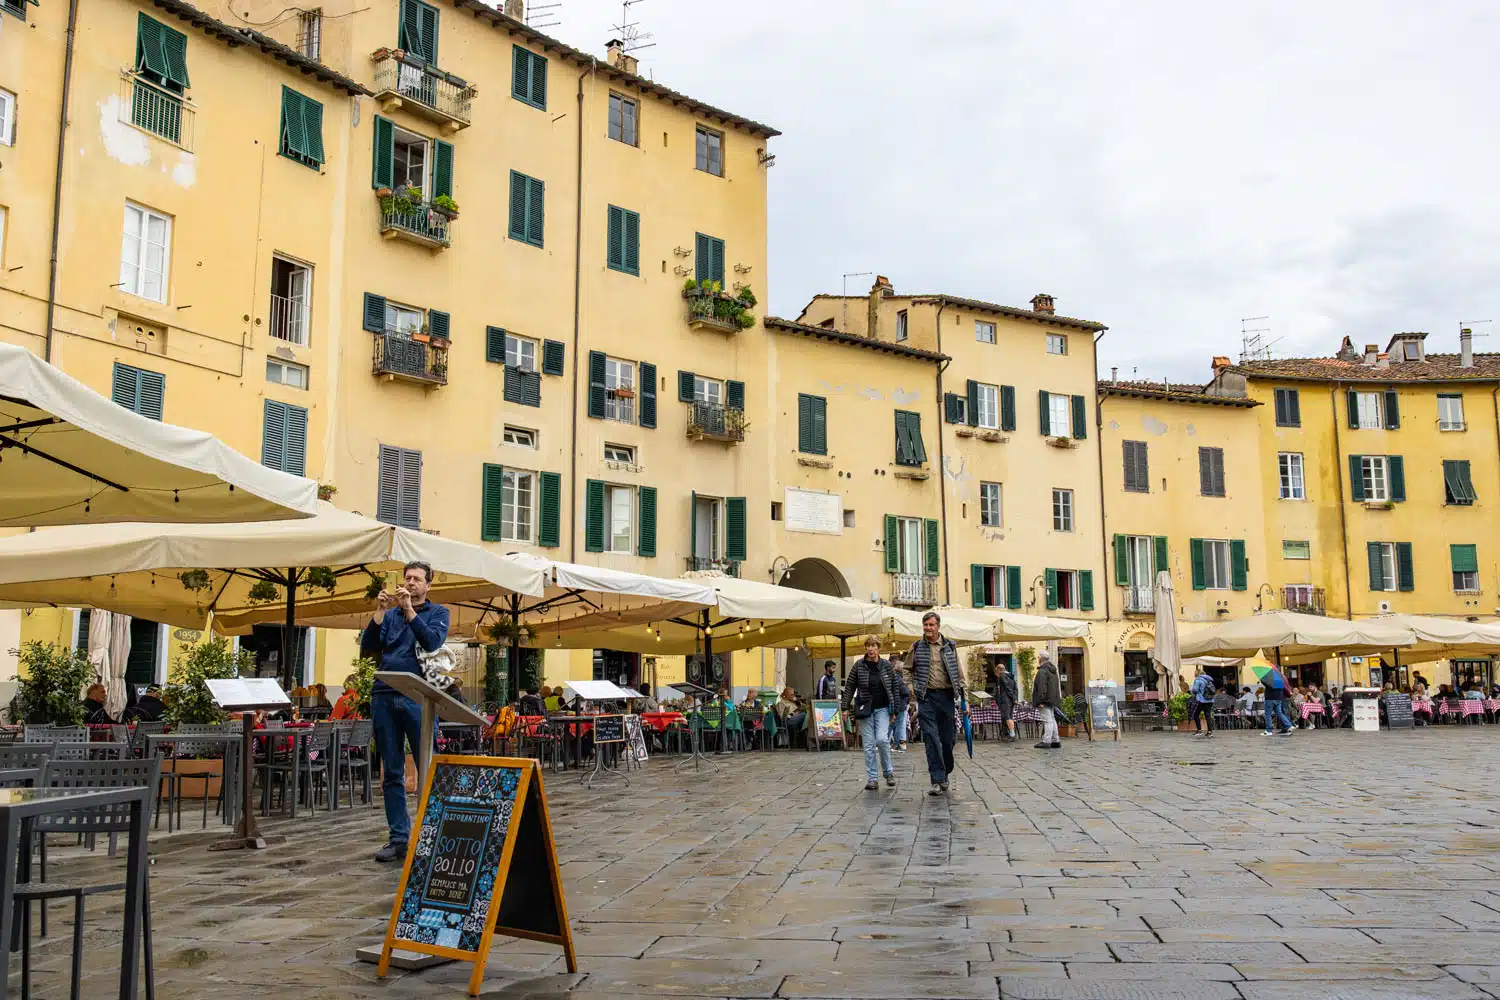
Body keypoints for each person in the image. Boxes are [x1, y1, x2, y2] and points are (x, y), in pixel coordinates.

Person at [361, 561, 451, 864]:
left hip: (418, 698)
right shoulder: (389, 616)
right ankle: (399, 838)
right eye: (407, 578)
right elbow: (368, 647)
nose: (410, 583)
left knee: (430, 767)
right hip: (385, 695)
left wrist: (410, 611)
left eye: (417, 579)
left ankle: (433, 833)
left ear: (428, 586)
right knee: (392, 771)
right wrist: (379, 611)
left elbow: (432, 641)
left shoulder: (438, 614)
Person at [909, 612, 967, 794]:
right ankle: (936, 779)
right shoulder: (917, 646)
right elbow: (906, 670)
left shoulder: (950, 646)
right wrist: (912, 689)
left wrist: (966, 701)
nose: (928, 628)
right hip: (926, 698)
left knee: (948, 740)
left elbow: (958, 672)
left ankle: (945, 772)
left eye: (931, 625)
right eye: (925, 624)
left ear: (938, 626)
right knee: (931, 739)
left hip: (947, 697)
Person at [843, 637, 898, 790]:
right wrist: (845, 707)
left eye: (873, 646)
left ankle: (888, 773)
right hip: (864, 709)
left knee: (882, 739)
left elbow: (894, 687)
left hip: (883, 708)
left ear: (879, 648)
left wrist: (895, 710)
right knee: (868, 745)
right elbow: (850, 687)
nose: (871, 649)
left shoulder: (886, 665)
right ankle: (873, 778)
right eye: (868, 646)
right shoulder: (859, 665)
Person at [1032, 653, 1063, 749]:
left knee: (1047, 721)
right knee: (1052, 719)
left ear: (1041, 658)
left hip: (1044, 700)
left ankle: (1047, 741)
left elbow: (1041, 687)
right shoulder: (1053, 670)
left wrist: (1040, 700)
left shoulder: (1042, 671)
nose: (1038, 659)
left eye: (1038, 657)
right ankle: (1055, 740)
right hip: (1051, 699)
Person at [1261, 667, 1293, 736]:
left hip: (1270, 698)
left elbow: (1266, 683)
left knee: (1268, 714)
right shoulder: (1281, 677)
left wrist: (1262, 678)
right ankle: (1289, 725)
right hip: (1279, 698)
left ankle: (1268, 731)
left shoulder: (1269, 677)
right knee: (1279, 713)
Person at [993, 661, 1019, 743]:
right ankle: (1006, 734)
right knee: (1008, 716)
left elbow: (1007, 688)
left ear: (998, 670)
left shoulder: (1002, 676)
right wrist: (1014, 698)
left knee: (1007, 717)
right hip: (1010, 700)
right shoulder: (1011, 676)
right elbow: (1015, 688)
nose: (995, 673)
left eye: (996, 671)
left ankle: (1012, 735)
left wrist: (1012, 698)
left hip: (1005, 700)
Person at [889, 660, 911, 752]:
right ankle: (901, 746)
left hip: (896, 705)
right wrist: (906, 701)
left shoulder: (894, 678)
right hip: (901, 706)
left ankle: (898, 745)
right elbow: (906, 692)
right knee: (900, 726)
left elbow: (904, 692)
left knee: (895, 726)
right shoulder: (899, 679)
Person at [1188, 667, 1216, 737]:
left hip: (1201, 700)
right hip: (1210, 700)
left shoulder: (1198, 680)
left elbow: (1195, 690)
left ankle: (1199, 730)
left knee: (1196, 714)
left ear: (1197, 673)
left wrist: (1192, 691)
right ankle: (1210, 732)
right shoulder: (1208, 679)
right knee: (1208, 715)